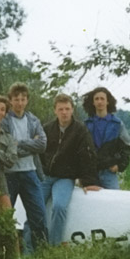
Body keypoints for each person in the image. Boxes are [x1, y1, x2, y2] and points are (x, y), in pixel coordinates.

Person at [40, 93, 101, 245]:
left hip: (65, 178)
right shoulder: (47, 129)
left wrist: (88, 181)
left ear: (72, 109)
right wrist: (38, 173)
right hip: (46, 177)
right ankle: (30, 246)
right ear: (55, 110)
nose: (64, 112)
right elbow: (39, 153)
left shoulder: (80, 130)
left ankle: (54, 245)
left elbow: (87, 155)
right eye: (60, 109)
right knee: (35, 207)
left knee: (59, 206)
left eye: (67, 109)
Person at [4, 82, 48, 253]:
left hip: (30, 173)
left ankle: (42, 254)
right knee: (6, 217)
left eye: (23, 99)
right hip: (9, 175)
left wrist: (19, 144)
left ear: (27, 100)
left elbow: (42, 144)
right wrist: (30, 145)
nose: (20, 103)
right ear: (10, 100)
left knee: (38, 216)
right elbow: (5, 147)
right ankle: (6, 254)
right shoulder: (5, 121)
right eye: (16, 99)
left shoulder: (33, 120)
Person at [83, 86, 130, 190]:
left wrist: (120, 166)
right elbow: (79, 150)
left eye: (102, 99)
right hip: (91, 174)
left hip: (109, 172)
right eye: (96, 99)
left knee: (115, 203)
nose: (99, 102)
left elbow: (127, 146)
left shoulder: (117, 124)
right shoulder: (86, 125)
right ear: (93, 102)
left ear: (108, 101)